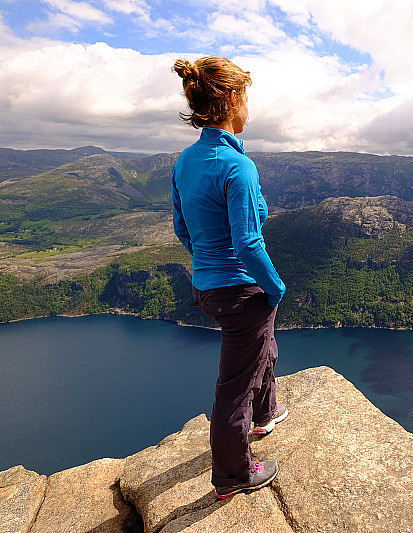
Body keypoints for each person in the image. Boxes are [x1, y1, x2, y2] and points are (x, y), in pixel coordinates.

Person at [171, 56, 288, 500]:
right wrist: (274, 288)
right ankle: (234, 474)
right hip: (242, 290)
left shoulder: (185, 160)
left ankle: (267, 413)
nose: (248, 107)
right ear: (234, 99)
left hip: (208, 288)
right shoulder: (238, 166)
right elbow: (248, 244)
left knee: (263, 347)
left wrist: (208, 265)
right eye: (247, 97)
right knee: (233, 386)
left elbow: (183, 229)